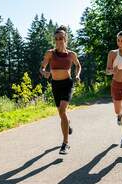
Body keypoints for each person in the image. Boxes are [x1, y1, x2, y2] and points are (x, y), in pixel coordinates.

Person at [40, 25, 81, 154]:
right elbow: (42, 67)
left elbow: (78, 66)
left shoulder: (71, 54)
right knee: (61, 114)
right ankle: (67, 125)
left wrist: (77, 75)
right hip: (55, 85)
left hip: (67, 84)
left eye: (61, 38)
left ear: (65, 39)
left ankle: (65, 144)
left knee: (62, 111)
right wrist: (44, 72)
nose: (58, 41)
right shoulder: (50, 53)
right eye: (56, 38)